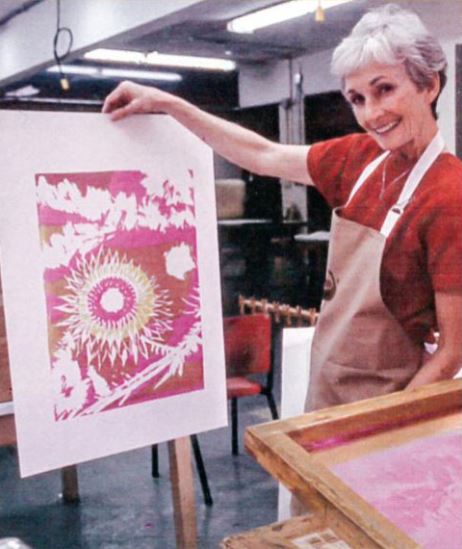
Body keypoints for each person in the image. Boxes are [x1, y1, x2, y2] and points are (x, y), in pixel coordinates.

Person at [103, 4, 462, 412]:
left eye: (385, 90)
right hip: (329, 389)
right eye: (357, 98)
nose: (371, 114)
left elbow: (452, 351)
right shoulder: (360, 159)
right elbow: (263, 154)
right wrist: (171, 105)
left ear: (429, 85)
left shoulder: (451, 195)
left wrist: (384, 426)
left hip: (387, 409)